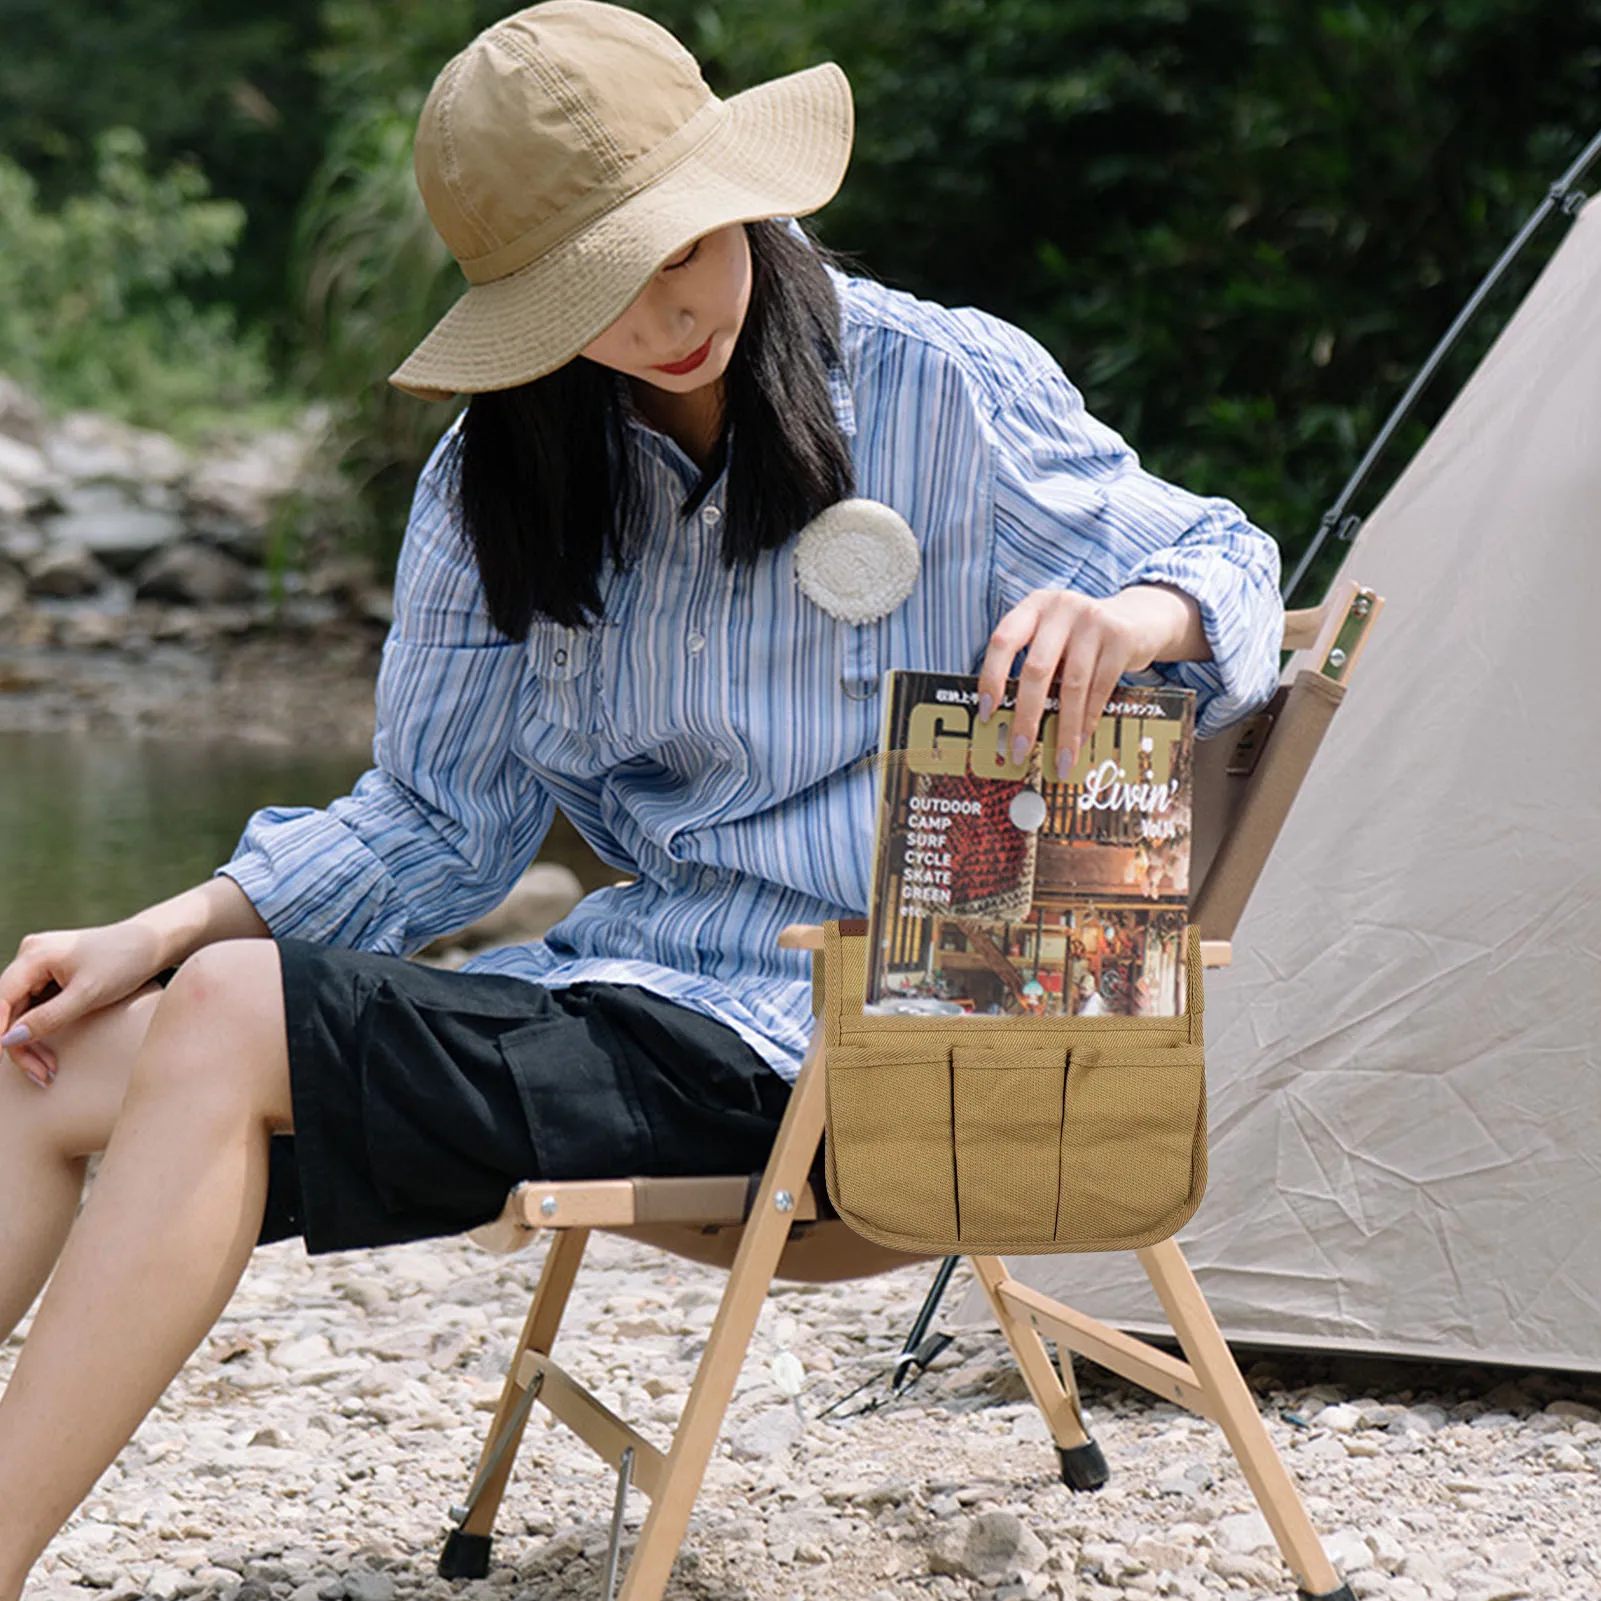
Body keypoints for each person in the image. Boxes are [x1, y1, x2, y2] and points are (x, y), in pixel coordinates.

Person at [0, 3, 1282, 1592]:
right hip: (633, 999)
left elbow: (1227, 555)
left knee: (230, 1014)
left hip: (848, 1054)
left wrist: (1143, 616)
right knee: (45, 1055)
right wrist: (164, 921)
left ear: (738, 194)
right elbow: (434, 824)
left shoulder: (936, 384)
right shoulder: (500, 481)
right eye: (591, 288)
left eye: (684, 246)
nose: (664, 308)